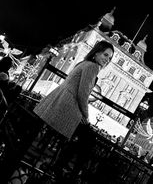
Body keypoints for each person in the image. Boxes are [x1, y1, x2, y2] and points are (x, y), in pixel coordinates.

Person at [33, 40, 114, 181]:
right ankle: (65, 172)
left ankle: (58, 167)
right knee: (88, 140)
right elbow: (83, 94)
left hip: (59, 101)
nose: (107, 60)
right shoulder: (93, 67)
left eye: (110, 58)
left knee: (81, 140)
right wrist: (86, 117)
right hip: (68, 107)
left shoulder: (83, 63)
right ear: (96, 53)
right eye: (106, 55)